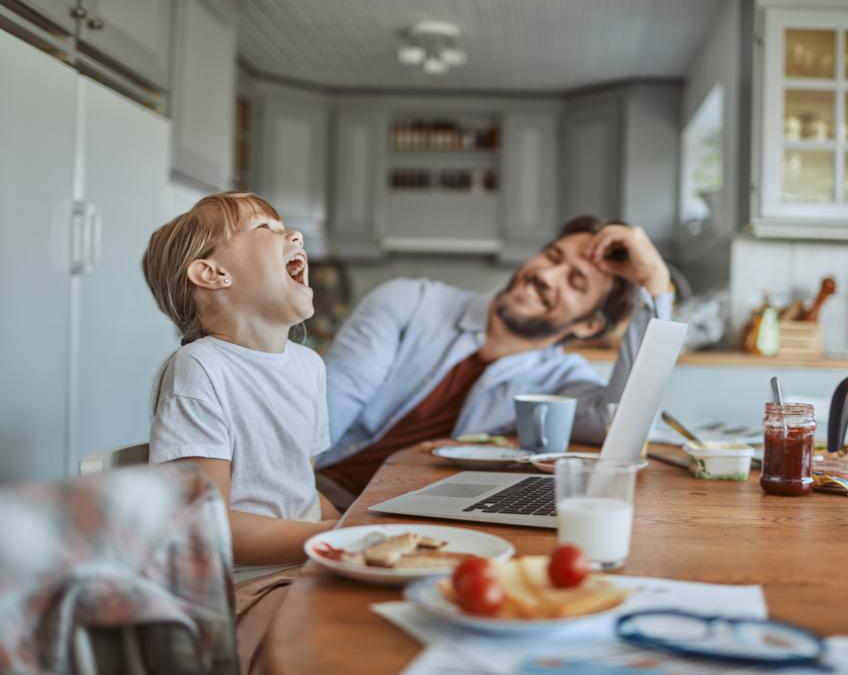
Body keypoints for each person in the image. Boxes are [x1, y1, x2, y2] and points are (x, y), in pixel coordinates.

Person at [318, 217, 675, 499]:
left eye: (575, 281)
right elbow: (319, 427)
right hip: (320, 492)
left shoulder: (560, 380)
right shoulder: (408, 302)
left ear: (589, 325)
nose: (546, 276)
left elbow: (626, 426)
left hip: (413, 520)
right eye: (552, 257)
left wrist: (655, 282)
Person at [141, 192, 340, 675]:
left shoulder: (309, 367)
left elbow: (302, 489)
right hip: (242, 589)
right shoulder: (201, 367)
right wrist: (334, 537)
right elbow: (208, 529)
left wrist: (356, 529)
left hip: (306, 567)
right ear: (212, 274)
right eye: (266, 230)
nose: (294, 236)